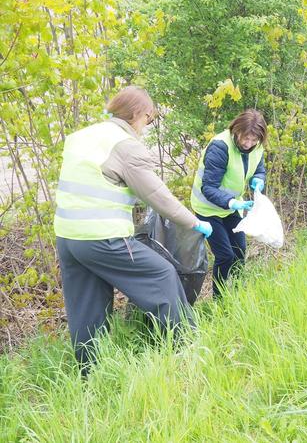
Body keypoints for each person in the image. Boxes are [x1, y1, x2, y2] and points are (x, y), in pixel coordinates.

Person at [54, 86, 212, 374]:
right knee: (162, 274)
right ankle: (188, 349)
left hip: (68, 237)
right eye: (148, 120)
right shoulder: (124, 144)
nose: (146, 127)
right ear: (138, 113)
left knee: (86, 307)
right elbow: (157, 195)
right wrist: (195, 222)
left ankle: (90, 374)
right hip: (102, 238)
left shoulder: (84, 136)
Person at [190, 109, 267, 296]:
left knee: (239, 252)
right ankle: (220, 298)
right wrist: (232, 203)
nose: (248, 144)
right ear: (236, 130)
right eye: (244, 138)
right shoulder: (220, 147)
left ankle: (238, 293)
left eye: (253, 140)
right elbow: (208, 187)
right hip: (208, 209)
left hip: (231, 207)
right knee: (225, 255)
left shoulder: (257, 147)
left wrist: (258, 179)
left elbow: (258, 169)